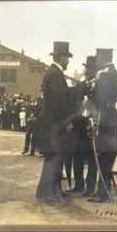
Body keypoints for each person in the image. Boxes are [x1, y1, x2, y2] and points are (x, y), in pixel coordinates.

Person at [35, 41, 75, 202]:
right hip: (55, 126)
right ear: (61, 57)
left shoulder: (53, 73)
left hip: (52, 125)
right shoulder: (55, 75)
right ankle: (45, 191)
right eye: (67, 57)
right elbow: (60, 102)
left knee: (55, 158)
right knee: (53, 159)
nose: (68, 61)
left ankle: (53, 189)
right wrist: (68, 121)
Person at [86, 48, 117, 204]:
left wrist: (90, 98)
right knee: (103, 157)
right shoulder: (108, 72)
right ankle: (102, 191)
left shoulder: (106, 74)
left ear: (103, 56)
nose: (96, 59)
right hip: (107, 117)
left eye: (98, 56)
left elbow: (101, 97)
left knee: (105, 157)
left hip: (105, 119)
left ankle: (104, 193)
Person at [66, 55, 99, 195]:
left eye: (91, 68)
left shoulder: (99, 86)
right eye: (86, 68)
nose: (88, 70)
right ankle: (78, 185)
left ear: (96, 70)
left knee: (92, 157)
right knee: (77, 156)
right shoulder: (79, 86)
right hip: (79, 127)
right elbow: (73, 105)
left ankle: (90, 187)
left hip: (92, 126)